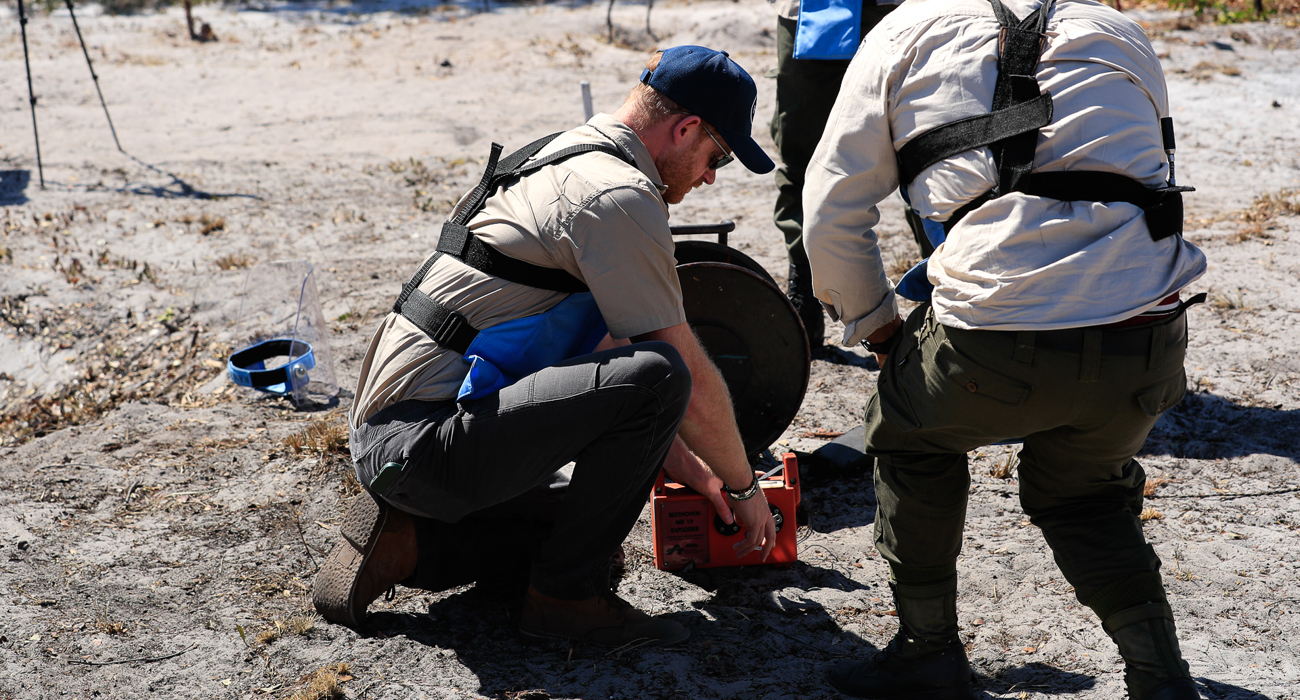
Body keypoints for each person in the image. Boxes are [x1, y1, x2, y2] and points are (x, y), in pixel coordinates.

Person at [802, 0, 1208, 698]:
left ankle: (926, 652)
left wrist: (878, 326)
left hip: (990, 335)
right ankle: (1162, 678)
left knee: (908, 438)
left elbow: (831, 210)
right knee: (1086, 494)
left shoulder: (903, 32)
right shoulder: (1119, 29)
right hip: (1146, 329)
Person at [312, 45, 779, 648]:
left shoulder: (563, 154)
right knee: (663, 375)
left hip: (397, 435)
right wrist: (744, 489)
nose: (710, 176)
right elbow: (670, 376)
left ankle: (408, 545)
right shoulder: (619, 195)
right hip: (422, 443)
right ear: (686, 128)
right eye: (717, 157)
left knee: (578, 528)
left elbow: (609, 355)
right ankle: (564, 604)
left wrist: (698, 474)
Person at [770, 0, 904, 352]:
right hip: (813, 9)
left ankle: (941, 284)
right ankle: (804, 289)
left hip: (901, 8)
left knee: (924, 145)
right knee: (801, 152)